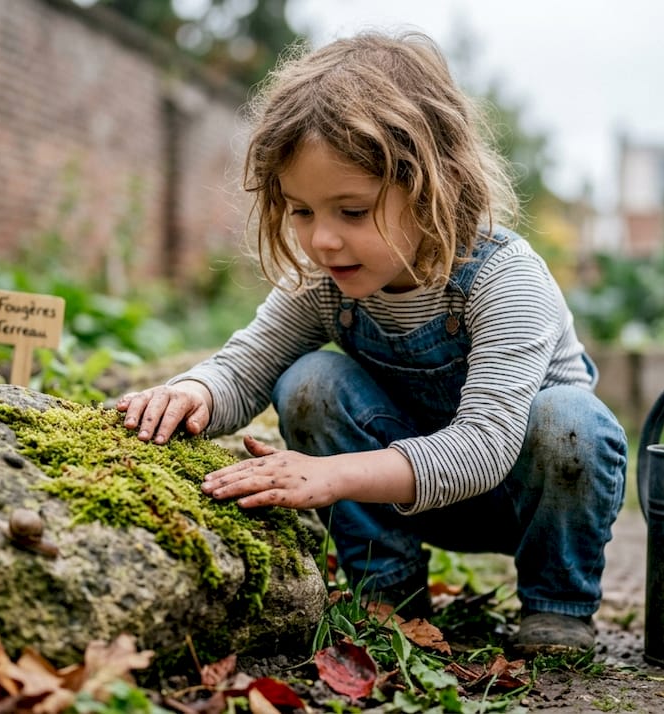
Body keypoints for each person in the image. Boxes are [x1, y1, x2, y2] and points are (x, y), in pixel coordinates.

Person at [116, 30, 627, 656]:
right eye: (302, 211)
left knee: (570, 420)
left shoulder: (504, 280)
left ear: (432, 186)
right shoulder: (327, 281)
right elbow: (246, 365)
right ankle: (388, 592)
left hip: (522, 502)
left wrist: (330, 476)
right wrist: (191, 392)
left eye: (351, 212)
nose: (322, 240)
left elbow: (485, 447)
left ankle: (556, 606)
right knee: (308, 383)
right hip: (400, 493)